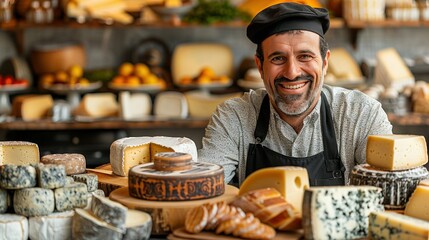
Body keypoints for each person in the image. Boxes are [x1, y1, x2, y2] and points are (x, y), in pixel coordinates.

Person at [198, 2, 393, 186]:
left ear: (325, 63)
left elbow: (387, 192)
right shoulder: (234, 118)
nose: (292, 72)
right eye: (278, 58)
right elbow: (204, 188)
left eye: (305, 56)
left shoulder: (362, 114)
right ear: (260, 66)